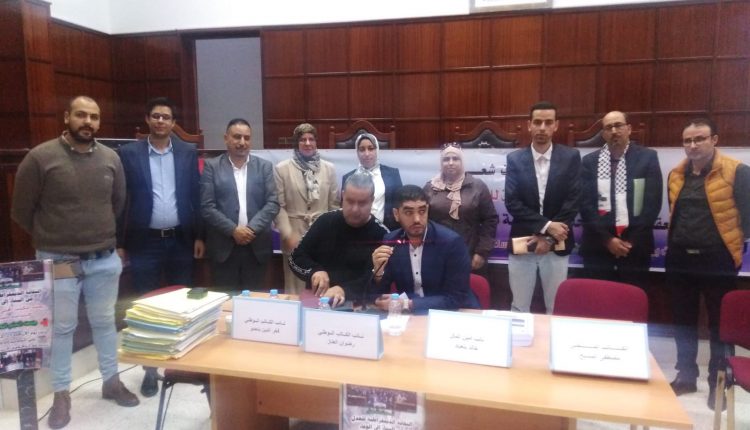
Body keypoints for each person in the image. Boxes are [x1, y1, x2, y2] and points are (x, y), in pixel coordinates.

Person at [11, 96, 138, 429]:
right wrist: (54, 237)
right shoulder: (41, 157)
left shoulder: (110, 158)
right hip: (59, 260)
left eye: (94, 117)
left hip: (103, 259)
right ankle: (61, 395)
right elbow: (21, 211)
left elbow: (118, 203)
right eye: (81, 115)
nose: (88, 122)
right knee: (63, 329)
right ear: (67, 117)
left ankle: (111, 382)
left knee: (105, 323)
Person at [117, 97, 204, 397]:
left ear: (173, 122)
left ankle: (184, 363)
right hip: (145, 242)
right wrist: (120, 243)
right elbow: (121, 201)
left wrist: (199, 236)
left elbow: (195, 196)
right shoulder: (129, 154)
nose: (160, 121)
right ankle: (150, 370)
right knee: (147, 307)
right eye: (155, 116)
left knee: (184, 303)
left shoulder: (187, 152)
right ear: (147, 119)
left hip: (181, 239)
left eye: (166, 117)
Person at [665, 118, 750, 410]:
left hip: (717, 259)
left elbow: (748, 219)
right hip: (679, 259)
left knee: (718, 326)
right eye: (687, 140)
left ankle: (719, 381)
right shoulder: (676, 174)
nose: (693, 145)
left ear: (714, 139)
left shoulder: (738, 172)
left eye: (699, 138)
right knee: (683, 322)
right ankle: (686, 375)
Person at [504, 101, 580, 314]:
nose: (542, 128)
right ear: (529, 125)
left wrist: (548, 238)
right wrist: (547, 227)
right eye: (537, 122)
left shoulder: (570, 157)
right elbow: (512, 202)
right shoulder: (515, 159)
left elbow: (573, 200)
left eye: (548, 122)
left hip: (557, 244)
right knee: (519, 307)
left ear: (556, 125)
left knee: (555, 308)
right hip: (523, 243)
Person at [579, 111, 662, 286]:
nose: (614, 131)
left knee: (633, 299)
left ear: (629, 129)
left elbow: (652, 204)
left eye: (618, 125)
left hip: (636, 247)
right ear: (603, 134)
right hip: (598, 246)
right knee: (598, 299)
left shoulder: (647, 157)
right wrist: (608, 240)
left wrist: (630, 241)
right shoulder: (589, 162)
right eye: (608, 127)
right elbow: (586, 205)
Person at [371, 185, 478, 313]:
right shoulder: (392, 241)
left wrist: (408, 303)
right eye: (409, 212)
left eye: (422, 211)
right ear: (396, 214)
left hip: (452, 313)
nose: (417, 219)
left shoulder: (451, 243)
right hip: (411, 315)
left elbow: (456, 298)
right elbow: (379, 295)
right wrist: (378, 272)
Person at [201, 118, 279, 291]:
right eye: (237, 137)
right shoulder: (212, 167)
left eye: (247, 138)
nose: (242, 142)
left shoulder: (264, 167)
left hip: (256, 247)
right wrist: (233, 230)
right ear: (226, 138)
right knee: (226, 301)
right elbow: (207, 207)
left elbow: (273, 203)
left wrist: (251, 229)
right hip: (223, 248)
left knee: (254, 302)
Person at [289, 173, 389, 306]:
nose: (355, 209)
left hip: (359, 306)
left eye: (362, 203)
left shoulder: (383, 235)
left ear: (372, 200)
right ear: (342, 196)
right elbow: (295, 257)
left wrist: (344, 290)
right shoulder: (324, 221)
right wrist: (314, 271)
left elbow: (377, 280)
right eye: (350, 201)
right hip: (318, 301)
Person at [274, 123, 339, 295]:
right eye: (303, 139)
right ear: (296, 143)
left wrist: (331, 236)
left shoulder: (329, 169)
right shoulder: (282, 169)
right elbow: (278, 206)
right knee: (295, 290)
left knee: (320, 286)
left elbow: (334, 205)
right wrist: (288, 234)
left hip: (322, 236)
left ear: (316, 142)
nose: (308, 143)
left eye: (311, 139)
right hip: (294, 238)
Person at [424, 143, 499, 273]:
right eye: (446, 159)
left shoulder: (477, 186)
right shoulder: (430, 188)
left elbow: (490, 220)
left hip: (470, 254)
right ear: (441, 163)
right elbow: (423, 221)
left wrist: (482, 252)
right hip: (437, 254)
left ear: (462, 161)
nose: (450, 163)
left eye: (455, 158)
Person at [341, 133, 402, 230]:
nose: (367, 154)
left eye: (371, 148)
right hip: (356, 230)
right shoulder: (348, 178)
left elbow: (399, 205)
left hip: (387, 230)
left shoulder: (392, 174)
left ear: (377, 150)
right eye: (362, 149)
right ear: (357, 152)